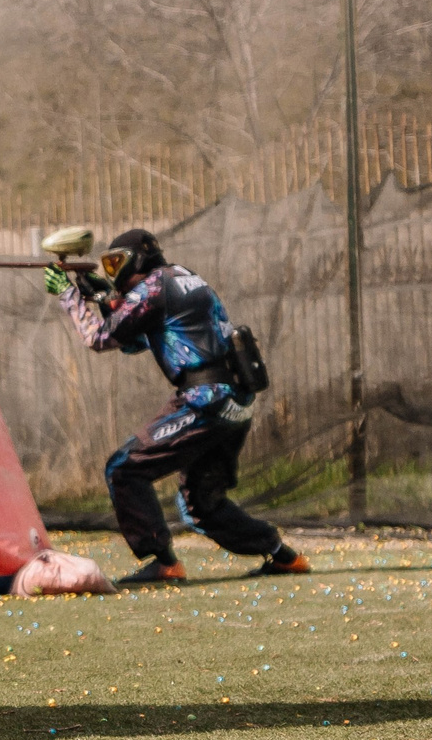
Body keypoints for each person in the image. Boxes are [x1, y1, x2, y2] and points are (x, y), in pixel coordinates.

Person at [46, 227, 312, 584]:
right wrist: (104, 298)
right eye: (107, 265)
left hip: (204, 400)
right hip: (235, 400)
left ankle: (164, 563)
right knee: (202, 503)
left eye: (117, 263)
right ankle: (283, 556)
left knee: (124, 469)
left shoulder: (153, 289)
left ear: (137, 260)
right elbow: (139, 339)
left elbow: (100, 338)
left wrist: (69, 295)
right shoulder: (182, 277)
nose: (113, 272)